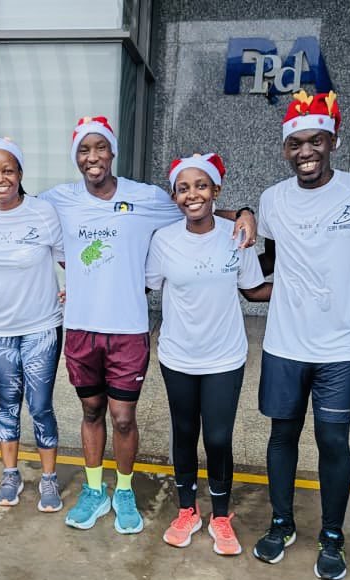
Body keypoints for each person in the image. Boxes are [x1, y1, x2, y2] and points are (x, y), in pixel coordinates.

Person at [0, 116, 256, 535]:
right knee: (92, 410)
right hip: (81, 328)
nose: (92, 156)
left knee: (122, 417)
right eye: (84, 149)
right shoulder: (59, 199)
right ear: (76, 157)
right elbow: (10, 196)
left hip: (128, 330)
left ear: (112, 151)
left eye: (100, 147)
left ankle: (124, 492)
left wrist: (242, 213)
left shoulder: (146, 196)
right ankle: (94, 489)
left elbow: (194, 206)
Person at [251, 91, 350, 580]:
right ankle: (281, 523)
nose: (306, 151)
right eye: (296, 143)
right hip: (285, 343)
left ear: (334, 140)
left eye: (316, 140)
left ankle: (332, 536)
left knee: (333, 438)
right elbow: (271, 257)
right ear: (285, 149)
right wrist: (229, 249)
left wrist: (346, 266)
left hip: (341, 346)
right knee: (282, 435)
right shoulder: (273, 199)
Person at [146, 153, 269, 555]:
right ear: (174, 197)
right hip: (178, 356)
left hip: (224, 357)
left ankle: (220, 515)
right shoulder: (164, 240)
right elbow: (145, 284)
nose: (192, 194)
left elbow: (253, 289)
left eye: (201, 185)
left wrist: (301, 289)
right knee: (184, 433)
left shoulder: (237, 234)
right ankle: (187, 510)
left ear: (216, 190)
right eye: (183, 188)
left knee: (217, 437)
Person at [0, 138, 65, 510]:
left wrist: (74, 290)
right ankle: (10, 475)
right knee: (7, 403)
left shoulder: (44, 212)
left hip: (41, 325)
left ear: (21, 173)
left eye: (7, 170)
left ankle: (49, 478)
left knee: (39, 405)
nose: (0, 179)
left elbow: (68, 259)